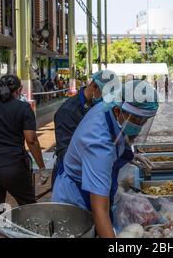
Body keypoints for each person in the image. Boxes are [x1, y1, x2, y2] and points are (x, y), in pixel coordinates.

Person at [52, 80, 158, 238]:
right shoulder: (98, 145)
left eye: (144, 121)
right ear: (118, 111)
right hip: (76, 198)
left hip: (88, 188)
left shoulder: (109, 105)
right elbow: (99, 211)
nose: (139, 126)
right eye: (136, 120)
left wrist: (129, 155)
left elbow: (118, 138)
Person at [0, 75, 46, 238]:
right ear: (19, 90)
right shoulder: (23, 108)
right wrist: (42, 168)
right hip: (14, 167)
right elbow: (31, 140)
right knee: (29, 208)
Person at [51, 70, 118, 186]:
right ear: (95, 87)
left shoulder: (97, 107)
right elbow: (65, 153)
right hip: (70, 177)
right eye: (105, 95)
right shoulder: (68, 111)